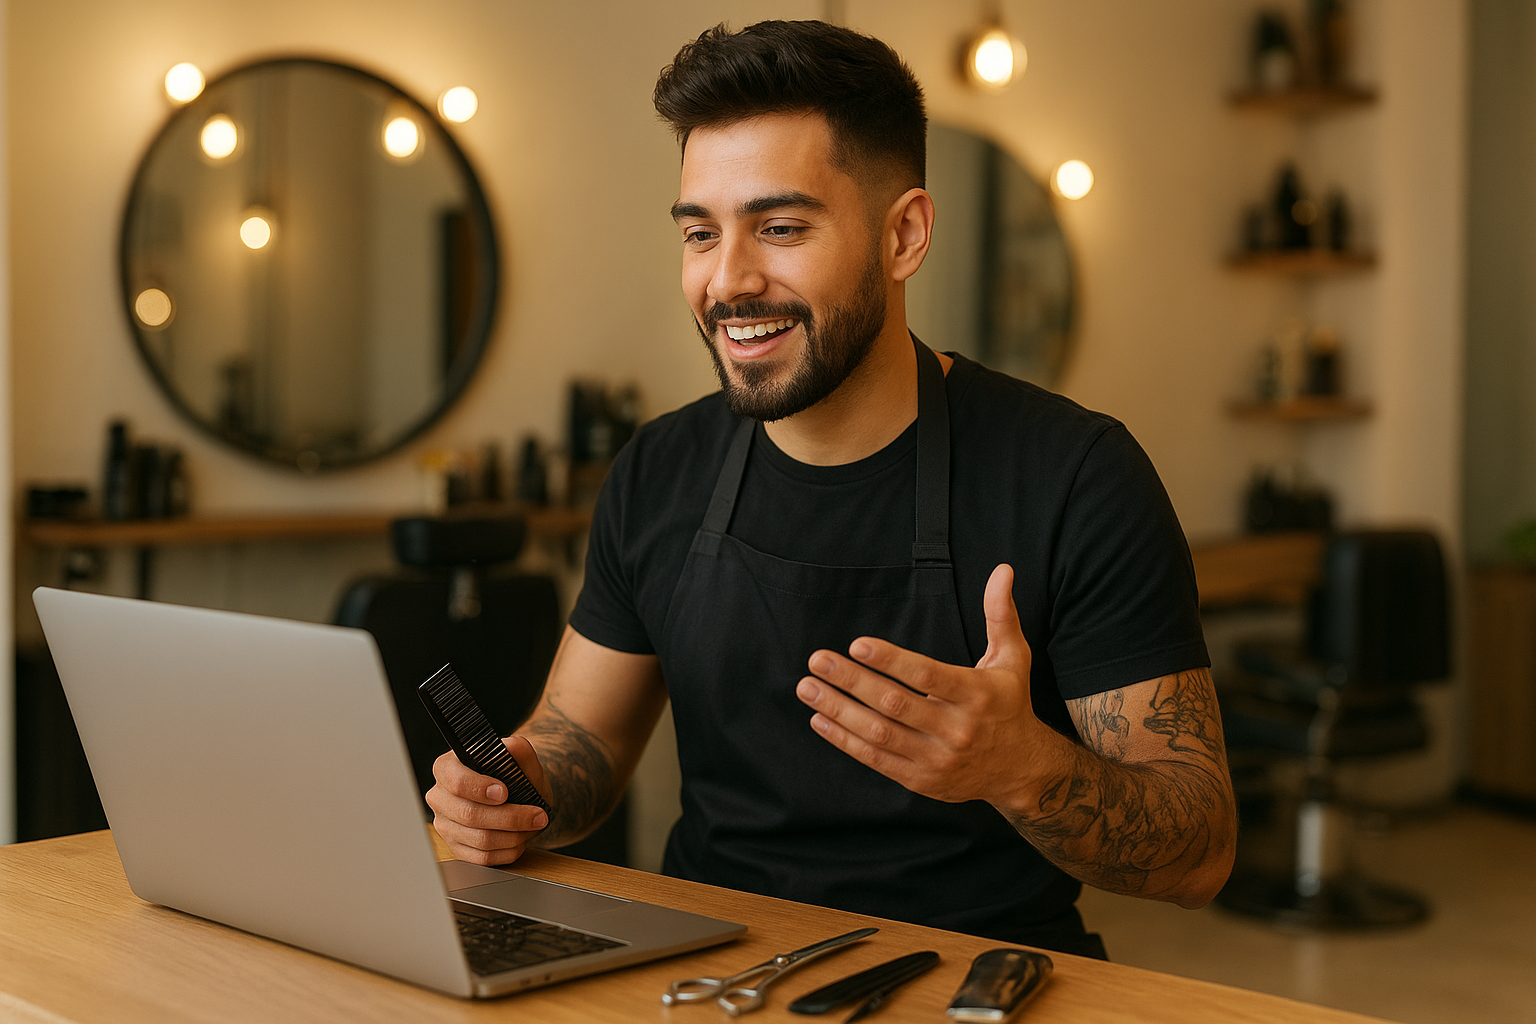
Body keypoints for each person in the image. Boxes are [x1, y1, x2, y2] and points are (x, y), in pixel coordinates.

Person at [428, 19, 1236, 959]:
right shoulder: (658, 471)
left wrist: (1022, 770)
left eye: (779, 228)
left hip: (974, 981)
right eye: (701, 233)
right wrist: (513, 790)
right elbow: (583, 745)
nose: (728, 282)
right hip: (708, 965)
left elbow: (1200, 854)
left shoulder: (1076, 477)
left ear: (904, 235)